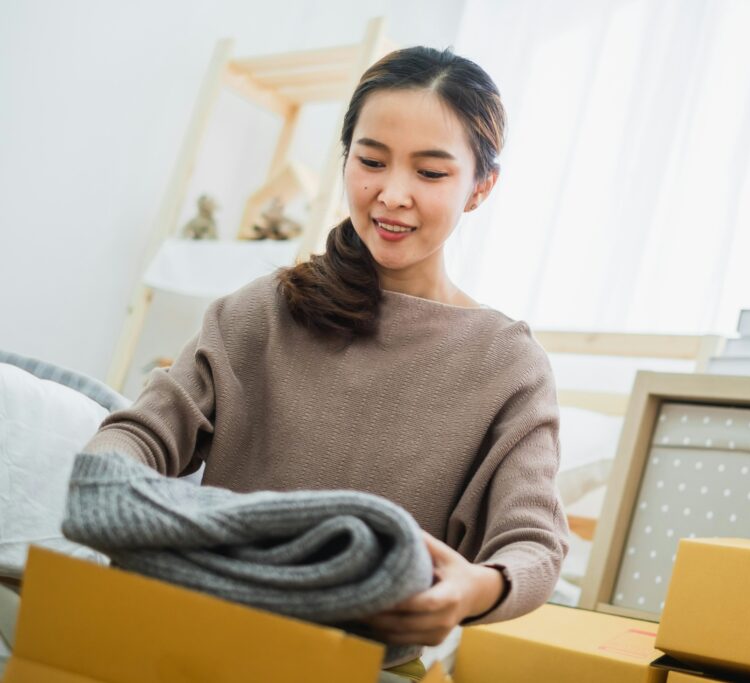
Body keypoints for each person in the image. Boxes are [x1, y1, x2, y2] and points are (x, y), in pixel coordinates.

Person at [82, 46, 568, 681]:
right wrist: (106, 487)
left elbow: (532, 542)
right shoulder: (262, 312)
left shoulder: (508, 364)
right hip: (191, 639)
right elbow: (141, 433)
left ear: (480, 186)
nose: (392, 195)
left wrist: (474, 590)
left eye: (430, 173)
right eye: (370, 162)